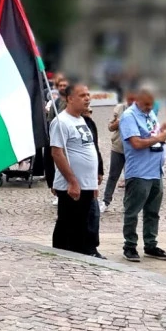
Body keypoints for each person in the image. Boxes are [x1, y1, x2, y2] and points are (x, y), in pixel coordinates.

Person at [118, 87, 166, 262]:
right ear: (137, 100)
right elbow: (136, 143)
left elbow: (153, 134)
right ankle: (130, 246)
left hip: (155, 171)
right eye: (147, 104)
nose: (150, 107)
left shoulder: (150, 114)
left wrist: (161, 132)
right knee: (133, 211)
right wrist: (158, 139)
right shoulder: (129, 116)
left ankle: (151, 244)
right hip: (139, 172)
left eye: (152, 104)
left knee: (153, 212)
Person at [50, 83, 101, 256]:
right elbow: (57, 153)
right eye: (82, 95)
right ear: (70, 99)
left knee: (83, 225)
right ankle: (62, 258)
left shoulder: (81, 119)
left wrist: (93, 182)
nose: (87, 98)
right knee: (68, 225)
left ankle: (83, 255)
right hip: (71, 185)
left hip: (86, 184)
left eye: (88, 94)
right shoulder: (61, 121)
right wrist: (72, 181)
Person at [101, 90, 136, 214]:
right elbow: (110, 127)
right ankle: (106, 201)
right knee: (113, 176)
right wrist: (117, 123)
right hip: (118, 147)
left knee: (131, 177)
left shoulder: (139, 110)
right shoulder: (119, 108)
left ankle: (129, 204)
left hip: (133, 149)